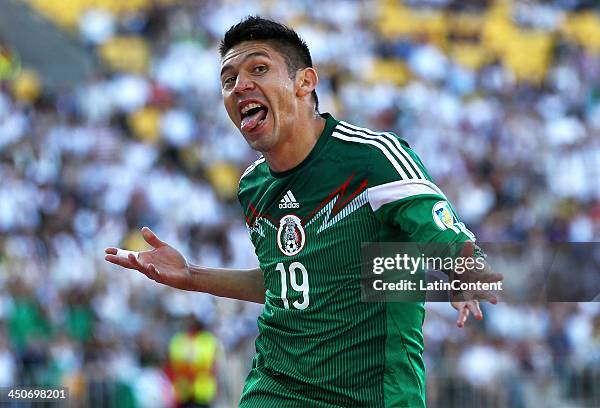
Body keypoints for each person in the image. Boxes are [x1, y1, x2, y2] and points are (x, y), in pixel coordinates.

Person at [105, 16, 502, 407]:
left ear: (304, 82)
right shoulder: (253, 186)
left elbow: (449, 235)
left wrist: (464, 268)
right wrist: (192, 277)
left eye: (258, 69)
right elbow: (287, 283)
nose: (240, 85)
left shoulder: (373, 158)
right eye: (228, 80)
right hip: (276, 389)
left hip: (372, 395)